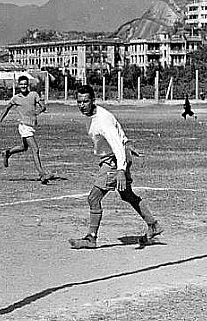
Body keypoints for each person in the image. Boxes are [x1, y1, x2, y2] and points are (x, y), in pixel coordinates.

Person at [68, 84, 162, 250]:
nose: (82, 105)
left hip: (114, 161)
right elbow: (118, 128)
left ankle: (91, 237)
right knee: (127, 195)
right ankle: (153, 225)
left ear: (93, 100)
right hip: (115, 157)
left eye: (85, 101)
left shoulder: (102, 120)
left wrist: (120, 170)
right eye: (79, 101)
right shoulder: (96, 114)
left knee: (94, 198)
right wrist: (127, 142)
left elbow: (116, 143)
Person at [0, 74, 52, 183]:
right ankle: (42, 174)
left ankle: (7, 153)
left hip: (31, 126)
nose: (23, 86)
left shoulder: (33, 95)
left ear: (28, 85)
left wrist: (37, 112)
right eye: (21, 84)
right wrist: (0, 121)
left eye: (25, 84)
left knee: (24, 147)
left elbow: (43, 106)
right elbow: (6, 109)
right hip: (24, 126)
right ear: (18, 85)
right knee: (35, 149)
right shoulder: (16, 98)